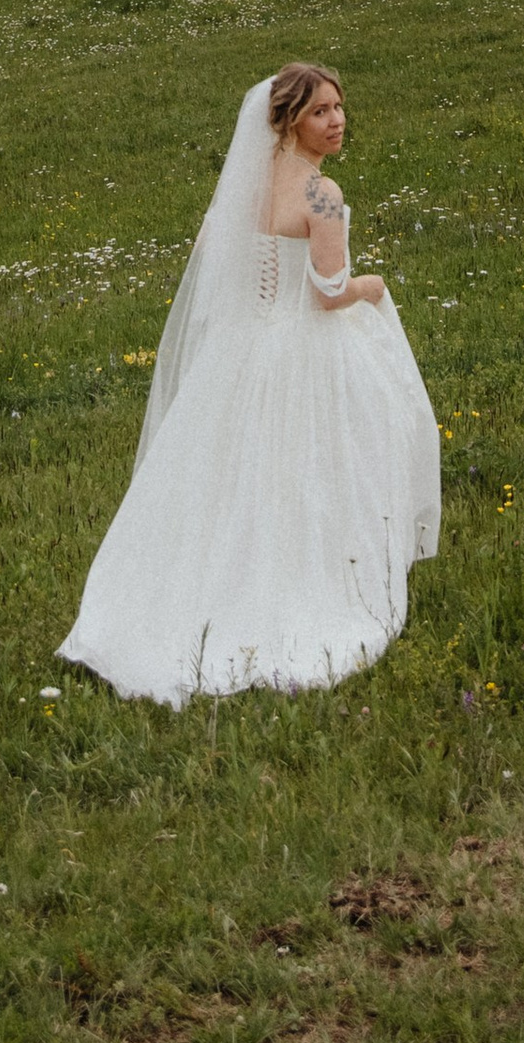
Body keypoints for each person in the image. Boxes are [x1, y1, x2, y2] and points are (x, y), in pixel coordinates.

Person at [58, 64, 441, 705]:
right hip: (303, 349)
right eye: (321, 111)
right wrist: (373, 287)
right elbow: (327, 295)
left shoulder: (243, 186)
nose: (337, 121)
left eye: (340, 107)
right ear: (289, 120)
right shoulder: (323, 197)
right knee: (321, 462)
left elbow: (213, 256)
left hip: (240, 351)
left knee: (224, 474)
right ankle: (306, 583)